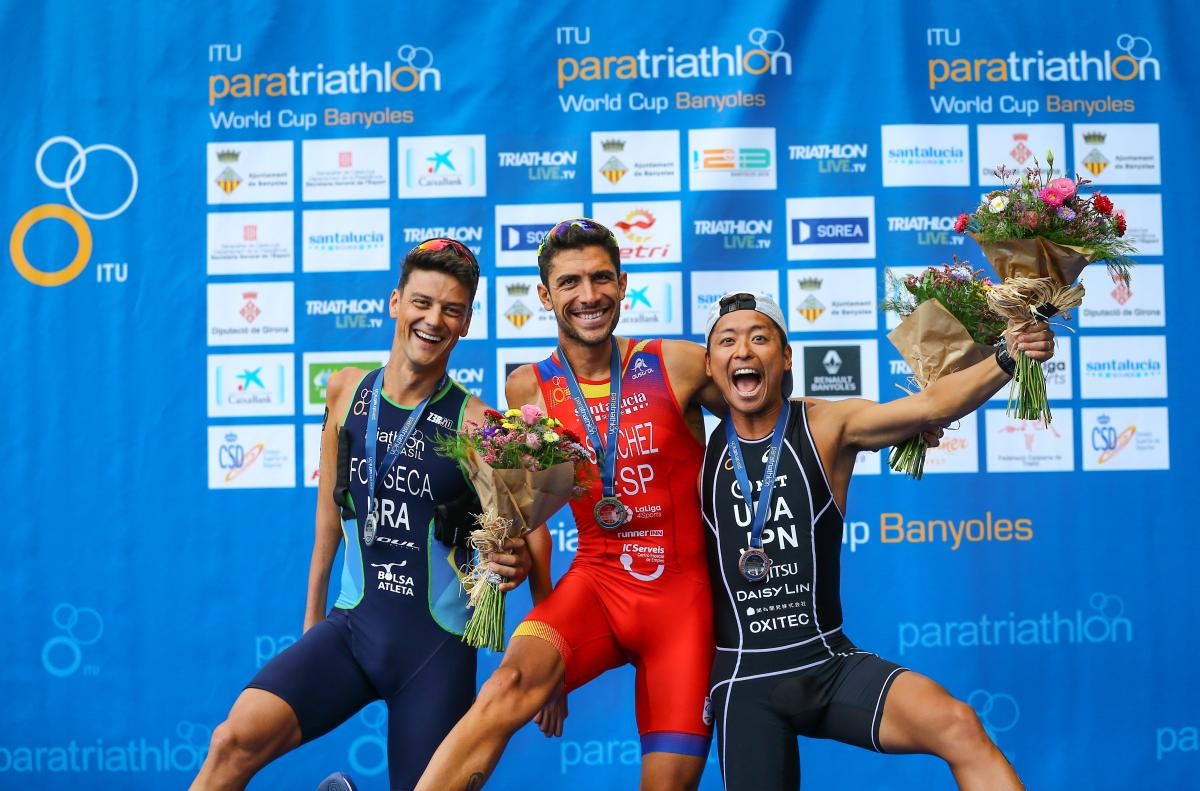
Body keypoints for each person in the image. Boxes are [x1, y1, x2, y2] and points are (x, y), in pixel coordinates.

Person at [190, 239, 546, 791]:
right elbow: (328, 517)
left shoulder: (478, 425)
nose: (433, 320)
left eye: (452, 309)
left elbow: (516, 538)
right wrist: (311, 622)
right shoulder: (345, 390)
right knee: (231, 741)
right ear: (395, 302)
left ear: (468, 322)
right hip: (352, 630)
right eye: (421, 302)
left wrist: (510, 565)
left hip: (435, 650)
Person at [417, 219, 728, 791]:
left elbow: (770, 411)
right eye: (570, 283)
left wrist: (914, 421)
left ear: (623, 282)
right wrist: (548, 642)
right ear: (544, 294)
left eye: (601, 278)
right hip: (595, 586)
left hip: (683, 607)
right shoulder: (527, 387)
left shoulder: (679, 363)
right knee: (507, 687)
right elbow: (527, 510)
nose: (589, 296)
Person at [699, 291, 1052, 790]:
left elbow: (930, 404)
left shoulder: (826, 425)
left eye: (760, 338)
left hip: (827, 663)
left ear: (786, 357)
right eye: (727, 341)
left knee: (960, 726)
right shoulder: (693, 449)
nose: (743, 351)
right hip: (745, 683)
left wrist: (1007, 356)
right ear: (710, 366)